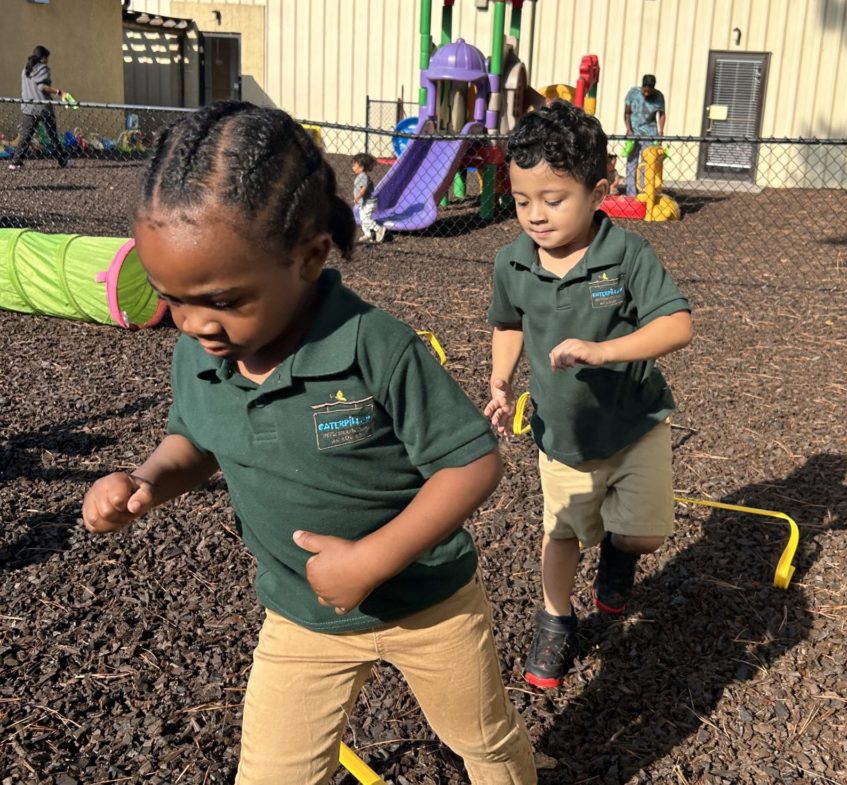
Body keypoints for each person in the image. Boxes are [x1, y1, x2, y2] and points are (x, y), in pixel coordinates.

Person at [81, 102, 536, 785]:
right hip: (300, 614)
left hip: (427, 604)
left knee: (484, 738)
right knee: (272, 771)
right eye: (174, 299)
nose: (196, 322)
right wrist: (146, 480)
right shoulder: (201, 353)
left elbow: (471, 461)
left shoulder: (374, 346)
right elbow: (196, 440)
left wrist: (373, 558)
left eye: (224, 300)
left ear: (309, 257)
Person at [484, 100, 693, 689]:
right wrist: (501, 380)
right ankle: (554, 621)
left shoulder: (626, 256)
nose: (536, 216)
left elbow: (676, 325)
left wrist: (605, 350)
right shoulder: (512, 263)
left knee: (647, 532)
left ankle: (621, 555)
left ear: (599, 190)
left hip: (634, 425)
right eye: (523, 201)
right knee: (564, 532)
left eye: (554, 200)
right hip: (564, 436)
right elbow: (508, 324)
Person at [9, 45, 70, 171]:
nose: (48, 60)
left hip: (28, 107)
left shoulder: (26, 69)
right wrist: (59, 92)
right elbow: (42, 87)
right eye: (47, 57)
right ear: (43, 58)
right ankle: (63, 161)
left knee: (26, 136)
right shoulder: (43, 68)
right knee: (53, 135)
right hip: (43, 107)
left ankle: (16, 162)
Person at [622, 74, 665, 196]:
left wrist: (661, 131)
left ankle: (644, 192)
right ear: (642, 86)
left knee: (648, 164)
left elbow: (661, 114)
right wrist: (629, 130)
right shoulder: (633, 93)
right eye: (644, 91)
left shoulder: (659, 97)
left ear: (653, 88)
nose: (646, 94)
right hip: (634, 132)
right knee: (631, 163)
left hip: (650, 134)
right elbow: (627, 113)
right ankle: (631, 194)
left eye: (649, 91)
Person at [351, 152, 386, 243]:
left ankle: (379, 229)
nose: (353, 167)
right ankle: (368, 235)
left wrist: (357, 197)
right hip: (364, 202)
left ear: (361, 167)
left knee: (365, 219)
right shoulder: (361, 176)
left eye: (354, 165)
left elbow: (363, 189)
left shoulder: (363, 176)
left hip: (368, 202)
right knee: (363, 219)